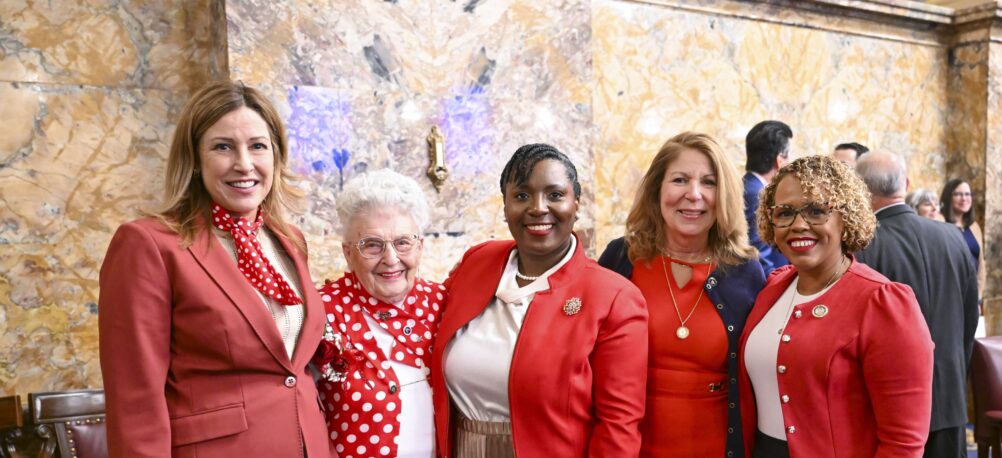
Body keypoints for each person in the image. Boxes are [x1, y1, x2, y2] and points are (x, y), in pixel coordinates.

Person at [98, 81, 333, 457]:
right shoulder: (149, 244)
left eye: (258, 146)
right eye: (223, 147)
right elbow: (134, 398)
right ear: (194, 159)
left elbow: (294, 371)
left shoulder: (290, 240)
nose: (244, 164)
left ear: (276, 155)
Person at [432, 144, 648, 457]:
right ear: (505, 206)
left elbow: (619, 426)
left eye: (555, 195)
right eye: (521, 195)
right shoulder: (477, 262)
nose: (538, 208)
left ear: (576, 204)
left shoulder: (614, 297)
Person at [739, 155, 933, 457]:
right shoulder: (772, 288)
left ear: (846, 217)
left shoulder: (882, 303)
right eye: (785, 213)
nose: (798, 225)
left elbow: (903, 443)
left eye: (816, 211)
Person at [598, 131, 765, 458]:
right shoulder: (621, 258)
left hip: (717, 445)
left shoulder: (745, 271)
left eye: (709, 182)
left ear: (725, 195)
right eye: (679, 180)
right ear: (656, 189)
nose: (694, 194)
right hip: (627, 445)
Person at [855, 151, 979, 458]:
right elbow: (969, 318)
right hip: (949, 396)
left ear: (859, 189)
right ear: (907, 184)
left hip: (890, 407)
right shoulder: (953, 237)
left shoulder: (860, 245)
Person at [314, 169, 442, 458]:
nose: (391, 259)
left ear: (420, 246)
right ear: (348, 253)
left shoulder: (445, 303)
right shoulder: (321, 312)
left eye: (402, 242)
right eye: (372, 245)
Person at [743, 120, 793, 275]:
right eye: (788, 158)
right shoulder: (758, 195)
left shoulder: (747, 186)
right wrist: (781, 281)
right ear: (779, 160)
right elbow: (758, 254)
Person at [941, 178, 986, 302]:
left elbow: (981, 264)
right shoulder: (939, 224)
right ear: (948, 196)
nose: (964, 198)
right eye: (958, 194)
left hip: (972, 297)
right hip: (948, 297)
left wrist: (978, 297)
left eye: (967, 194)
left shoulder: (974, 226)